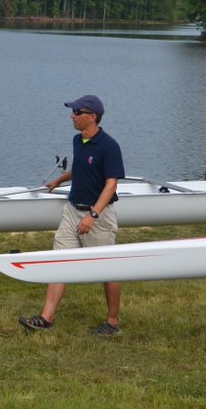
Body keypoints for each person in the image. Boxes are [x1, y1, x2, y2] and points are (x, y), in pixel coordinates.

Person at [19, 94, 126, 336]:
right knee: (59, 261)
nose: (72, 116)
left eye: (77, 113)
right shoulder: (79, 141)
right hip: (71, 210)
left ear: (92, 117)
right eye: (73, 112)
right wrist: (58, 180)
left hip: (97, 216)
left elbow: (111, 186)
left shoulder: (109, 146)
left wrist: (93, 216)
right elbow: (79, 168)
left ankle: (112, 323)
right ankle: (45, 319)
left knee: (109, 269)